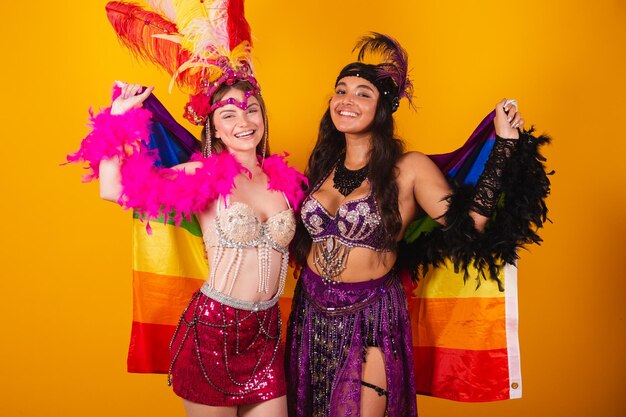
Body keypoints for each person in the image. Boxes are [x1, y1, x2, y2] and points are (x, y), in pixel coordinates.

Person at [286, 33, 550, 417]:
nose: (347, 99)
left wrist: (504, 146)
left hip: (370, 317)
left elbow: (468, 226)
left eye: (362, 93)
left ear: (382, 110)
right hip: (309, 314)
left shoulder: (408, 169)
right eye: (341, 90)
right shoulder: (321, 166)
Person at [68, 2, 306, 416]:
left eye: (250, 110)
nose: (242, 121)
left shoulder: (284, 181)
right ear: (213, 126)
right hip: (212, 333)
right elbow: (112, 189)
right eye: (228, 114)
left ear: (263, 116)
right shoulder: (203, 175)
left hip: (266, 335)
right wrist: (116, 121)